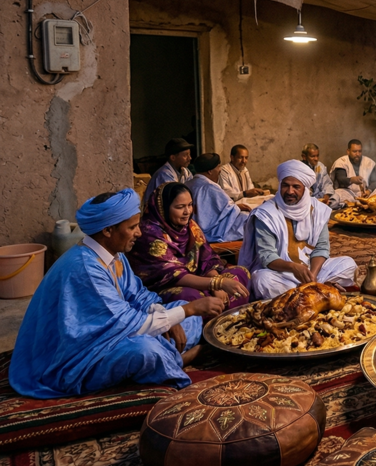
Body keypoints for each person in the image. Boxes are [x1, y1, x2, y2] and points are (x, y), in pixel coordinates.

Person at [10, 189, 223, 398]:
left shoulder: (114, 255)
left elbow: (139, 296)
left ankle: (171, 356)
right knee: (145, 350)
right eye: (132, 227)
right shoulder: (86, 267)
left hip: (116, 329)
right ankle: (179, 360)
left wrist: (175, 315)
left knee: (186, 315)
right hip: (78, 353)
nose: (139, 233)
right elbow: (127, 323)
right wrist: (186, 310)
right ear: (108, 231)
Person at [239, 160, 358, 300]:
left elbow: (321, 248)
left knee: (348, 264)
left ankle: (305, 294)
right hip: (281, 273)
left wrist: (312, 277)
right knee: (261, 280)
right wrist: (294, 268)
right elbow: (267, 257)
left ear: (305, 188)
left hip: (311, 272)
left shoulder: (318, 210)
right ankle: (318, 292)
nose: (290, 191)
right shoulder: (266, 214)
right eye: (285, 186)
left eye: (296, 187)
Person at [128, 181, 251, 310]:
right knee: (191, 297)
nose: (187, 212)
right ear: (163, 208)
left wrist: (217, 283)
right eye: (180, 207)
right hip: (168, 287)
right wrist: (217, 284)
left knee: (240, 274)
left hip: (201, 281)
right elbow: (173, 275)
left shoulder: (190, 226)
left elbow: (207, 259)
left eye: (190, 205)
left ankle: (224, 315)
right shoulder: (149, 234)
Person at [184, 153, 250, 243]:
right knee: (247, 218)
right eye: (218, 167)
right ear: (210, 171)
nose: (219, 171)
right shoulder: (210, 186)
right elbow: (228, 209)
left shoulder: (187, 184)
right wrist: (237, 207)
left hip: (192, 228)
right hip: (209, 232)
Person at [143, 138, 193, 205]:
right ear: (173, 158)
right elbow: (173, 198)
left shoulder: (185, 171)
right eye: (185, 155)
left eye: (189, 155)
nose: (189, 158)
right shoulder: (164, 174)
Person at [331, 140, 376, 205]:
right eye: (354, 151)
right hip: (348, 194)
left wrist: (369, 191)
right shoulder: (341, 162)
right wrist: (352, 180)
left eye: (359, 151)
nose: (357, 154)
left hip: (366, 195)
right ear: (348, 151)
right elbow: (340, 179)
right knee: (336, 194)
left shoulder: (369, 162)